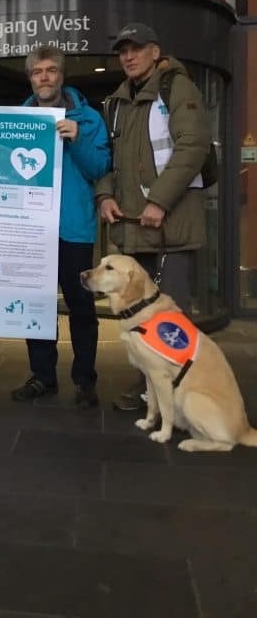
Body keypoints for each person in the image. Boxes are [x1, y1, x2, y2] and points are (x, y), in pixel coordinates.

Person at [96, 22, 211, 410]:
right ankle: (150, 388)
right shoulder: (117, 102)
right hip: (134, 227)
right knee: (140, 314)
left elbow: (193, 146)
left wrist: (160, 200)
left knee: (172, 315)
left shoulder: (176, 88)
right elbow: (111, 161)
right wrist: (105, 195)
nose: (128, 56)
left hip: (171, 225)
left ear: (155, 52)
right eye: (122, 50)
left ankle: (184, 393)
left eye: (136, 48)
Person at [11, 47, 111, 407]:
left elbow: (100, 169)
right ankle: (42, 377)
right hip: (31, 231)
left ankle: (85, 380)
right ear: (31, 78)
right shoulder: (17, 119)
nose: (45, 77)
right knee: (35, 308)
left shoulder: (89, 119)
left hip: (74, 229)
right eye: (38, 71)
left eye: (51, 70)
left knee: (81, 308)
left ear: (62, 75)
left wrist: (78, 139)